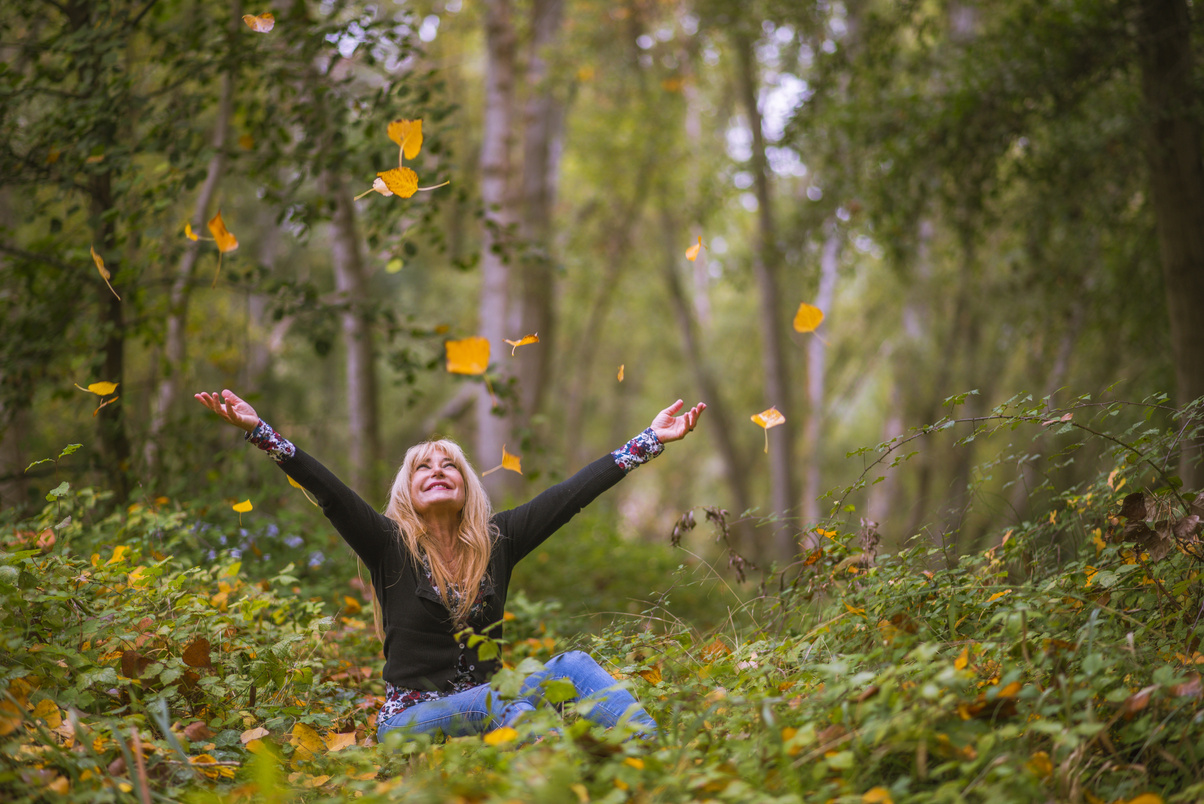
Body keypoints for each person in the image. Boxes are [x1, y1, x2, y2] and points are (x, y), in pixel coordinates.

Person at [195, 389, 705, 744]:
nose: (437, 471)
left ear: (466, 488)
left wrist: (649, 440)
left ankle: (651, 755)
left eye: (449, 466)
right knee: (505, 703)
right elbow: (328, 491)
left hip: (494, 701)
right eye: (423, 467)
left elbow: (570, 495)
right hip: (411, 720)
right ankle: (560, 775)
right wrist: (260, 431)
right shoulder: (388, 544)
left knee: (570, 667)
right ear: (407, 490)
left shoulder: (498, 541)